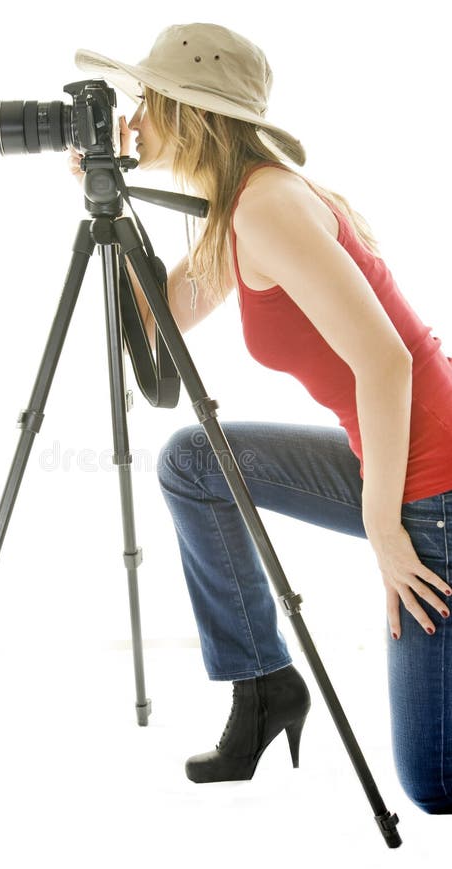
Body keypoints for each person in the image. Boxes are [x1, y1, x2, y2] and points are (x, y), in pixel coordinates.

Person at [70, 23, 452, 815]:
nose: (134, 119)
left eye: (148, 102)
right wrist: (105, 196)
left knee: (434, 782)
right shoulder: (235, 208)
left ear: (190, 112)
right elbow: (153, 323)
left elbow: (388, 364)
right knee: (191, 462)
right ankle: (264, 686)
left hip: (434, 488)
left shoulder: (268, 208)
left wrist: (385, 532)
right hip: (392, 456)